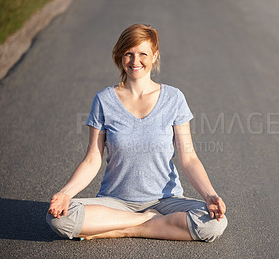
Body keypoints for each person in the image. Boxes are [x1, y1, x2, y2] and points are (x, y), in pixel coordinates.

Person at [46, 24, 227, 242]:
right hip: (115, 201)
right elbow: (93, 159)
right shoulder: (104, 100)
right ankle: (146, 221)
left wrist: (210, 196)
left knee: (214, 223)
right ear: (120, 56)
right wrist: (66, 194)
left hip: (165, 201)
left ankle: (125, 229)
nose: (135, 61)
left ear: (154, 56)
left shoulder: (174, 98)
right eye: (128, 54)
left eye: (143, 54)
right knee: (59, 218)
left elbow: (188, 158)